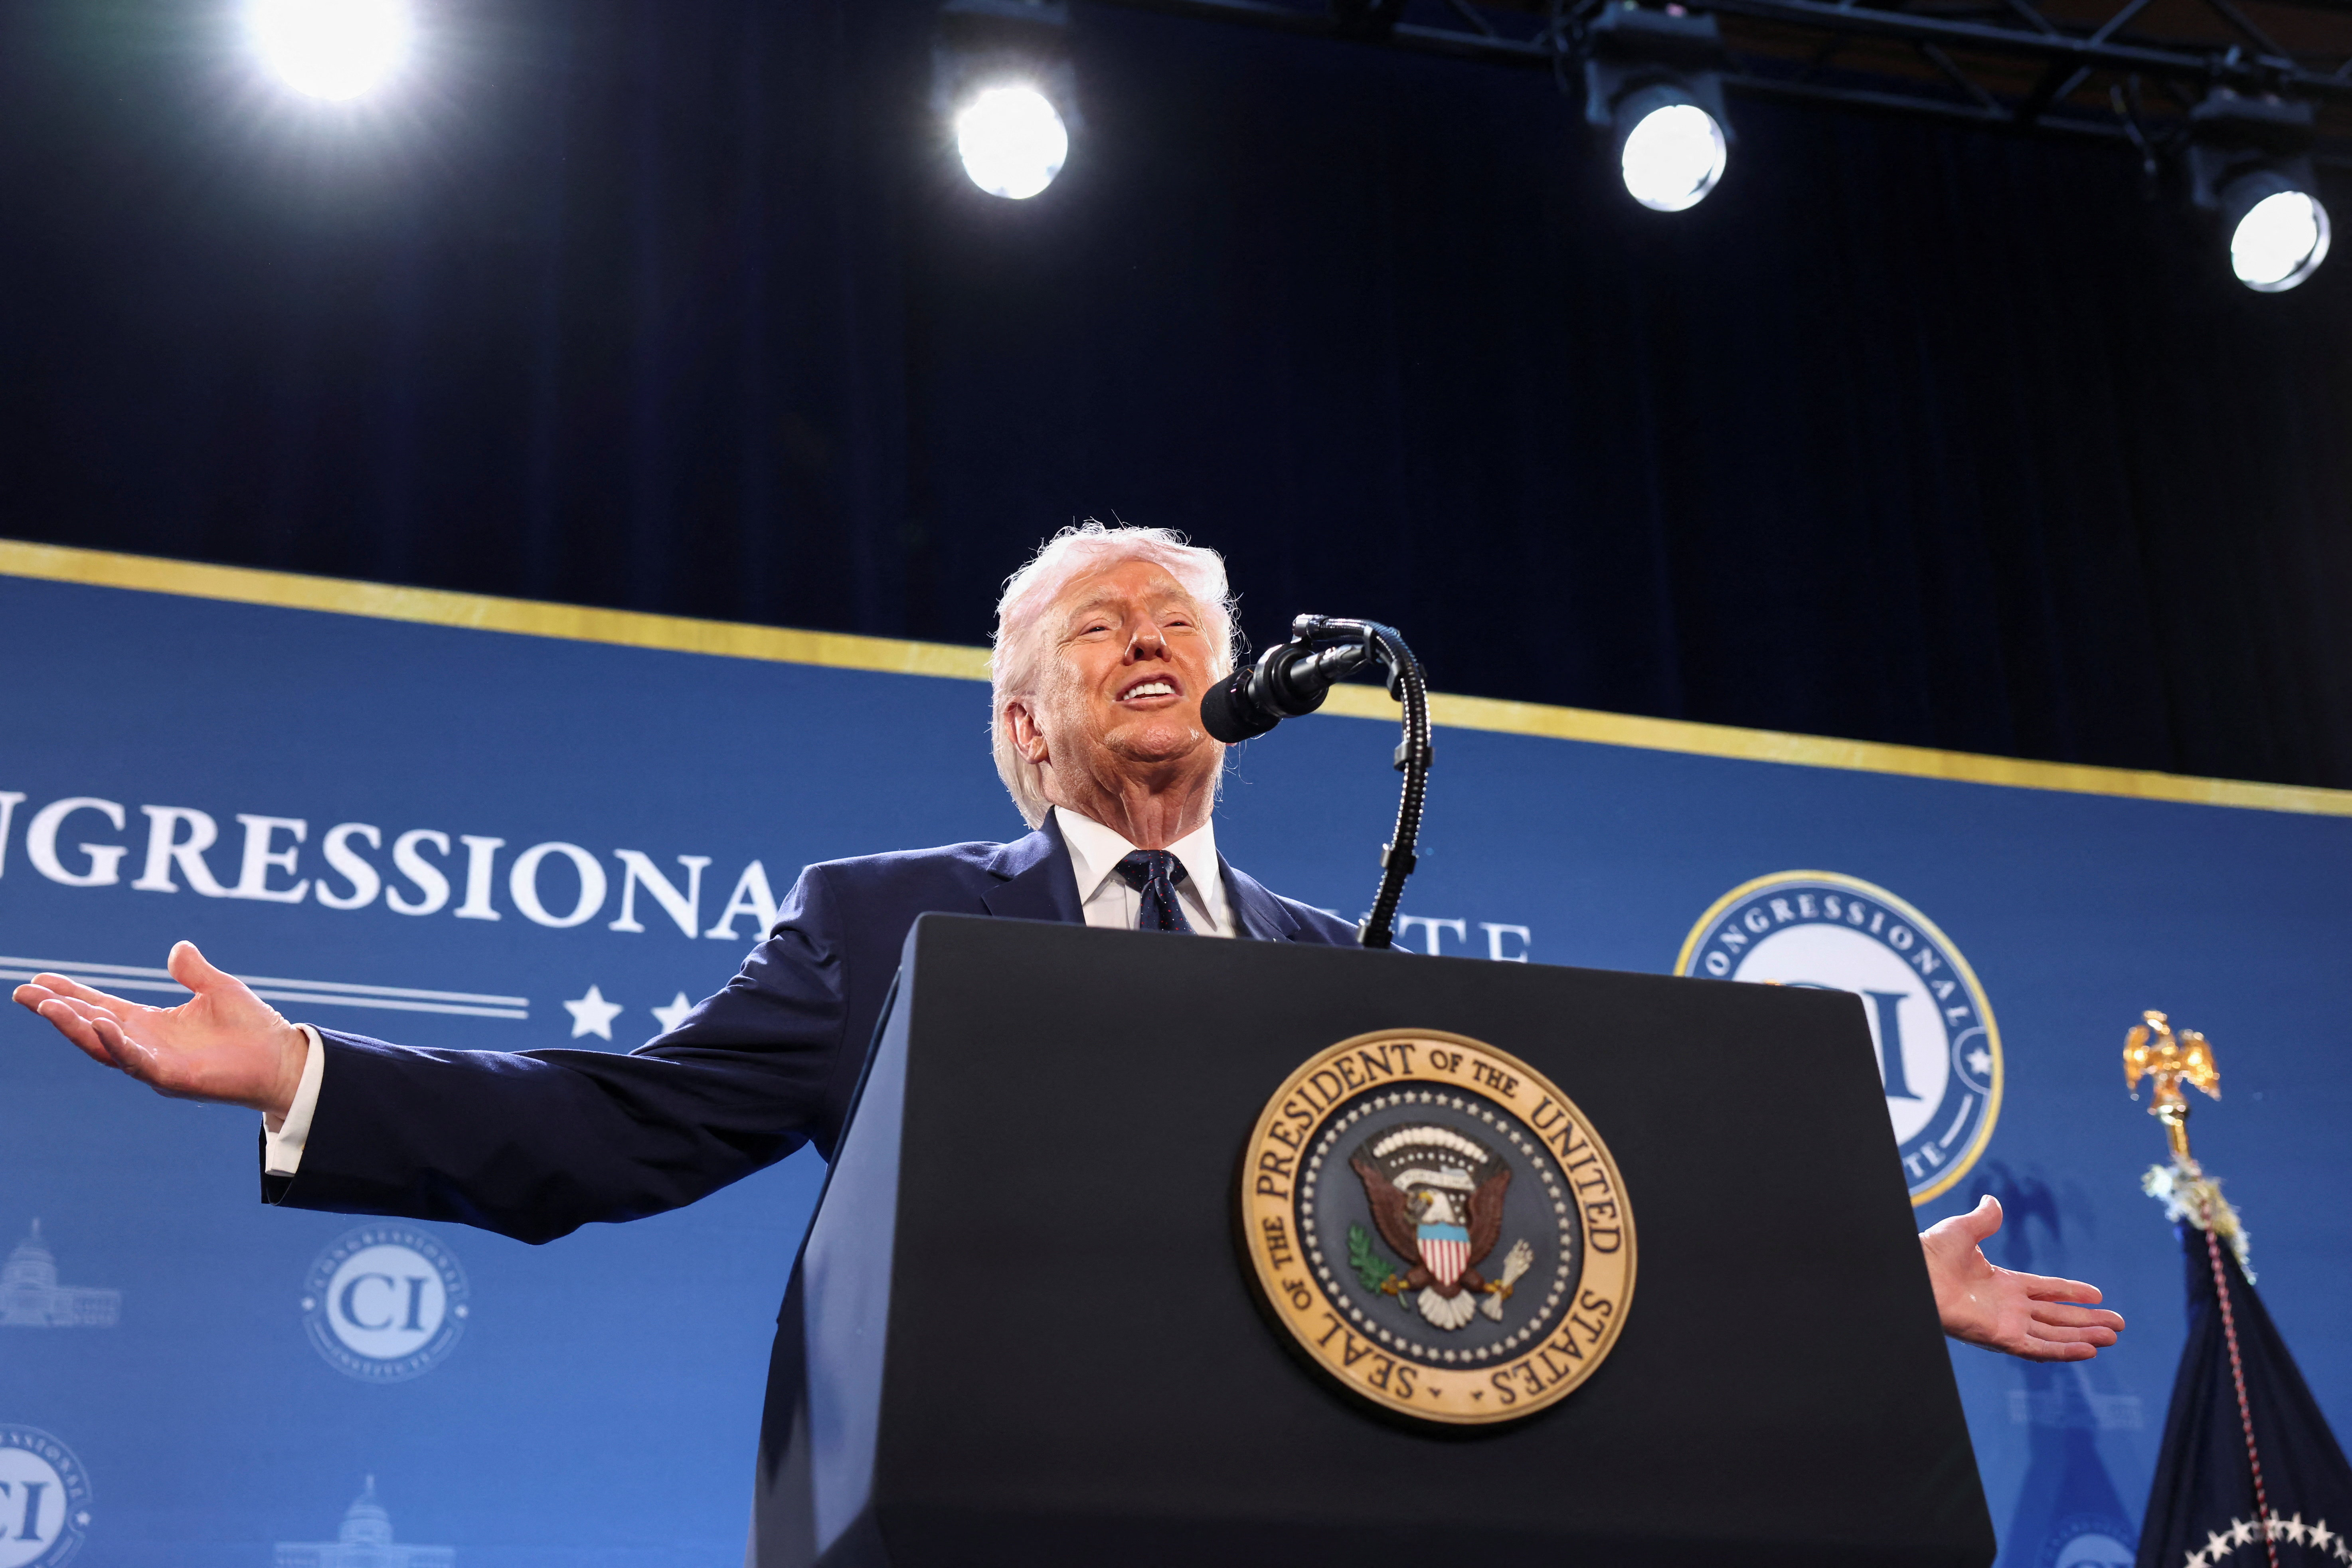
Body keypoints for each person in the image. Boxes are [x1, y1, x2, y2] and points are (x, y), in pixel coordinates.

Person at [13, 522, 2121, 1363]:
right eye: (1102, 629)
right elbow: (604, 1136)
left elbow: (1530, 1245)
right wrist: (303, 1076)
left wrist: (1867, 1273)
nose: (1156, 647)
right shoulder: (881, 925)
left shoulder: (1332, 964)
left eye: (1181, 631)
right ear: (1019, 722)